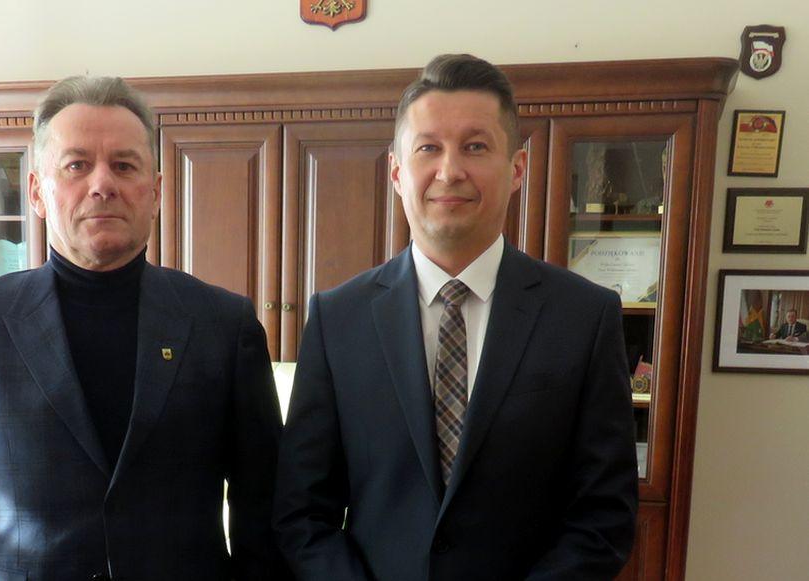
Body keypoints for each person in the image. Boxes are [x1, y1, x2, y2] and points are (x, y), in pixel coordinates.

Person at [0, 76, 289, 581]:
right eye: (76, 165)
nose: (102, 184)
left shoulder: (225, 326)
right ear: (37, 192)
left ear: (156, 191)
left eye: (124, 165)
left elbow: (264, 518)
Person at [273, 54, 637, 580]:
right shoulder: (337, 320)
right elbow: (303, 513)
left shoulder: (584, 317)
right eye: (428, 148)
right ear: (397, 172)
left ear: (516, 169)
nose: (449, 171)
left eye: (475, 146)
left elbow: (604, 515)